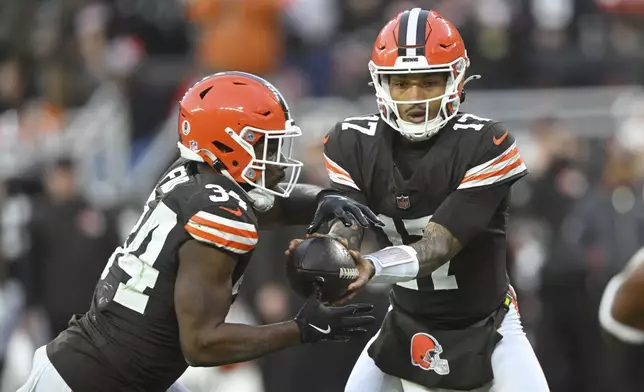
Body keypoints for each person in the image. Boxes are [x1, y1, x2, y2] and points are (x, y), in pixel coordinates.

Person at [17, 71, 378, 392]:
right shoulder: (221, 211)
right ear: (226, 144)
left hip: (113, 366)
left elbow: (265, 206)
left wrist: (325, 198)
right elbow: (202, 344)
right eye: (266, 143)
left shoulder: (190, 174)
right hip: (95, 379)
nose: (280, 162)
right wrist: (300, 329)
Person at [296, 9, 549, 392]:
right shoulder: (352, 143)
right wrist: (329, 261)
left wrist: (372, 267)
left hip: (486, 327)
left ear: (456, 79)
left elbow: (438, 245)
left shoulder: (484, 143)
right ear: (381, 85)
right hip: (405, 323)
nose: (415, 98)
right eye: (401, 84)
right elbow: (346, 228)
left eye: (429, 83)